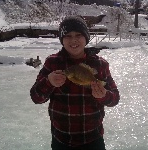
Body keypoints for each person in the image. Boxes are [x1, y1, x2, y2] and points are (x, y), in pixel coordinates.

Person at [30, 15, 120, 150]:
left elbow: (114, 99)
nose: (73, 40)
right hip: (61, 139)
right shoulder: (52, 62)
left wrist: (104, 95)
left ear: (86, 38)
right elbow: (36, 97)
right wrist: (49, 82)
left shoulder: (100, 64)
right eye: (67, 36)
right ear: (62, 39)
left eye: (78, 35)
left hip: (93, 139)